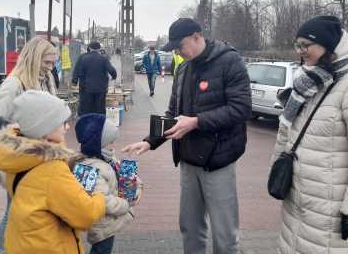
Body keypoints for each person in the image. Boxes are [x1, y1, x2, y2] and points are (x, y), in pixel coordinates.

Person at [122, 18, 252, 254]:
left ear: (196, 36)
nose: (178, 52)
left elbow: (241, 108)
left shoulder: (229, 61)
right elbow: (173, 113)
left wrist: (196, 122)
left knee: (224, 235)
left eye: (180, 46)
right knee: (190, 227)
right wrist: (149, 141)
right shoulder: (182, 68)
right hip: (189, 159)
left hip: (218, 161)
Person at [0, 90, 109, 254]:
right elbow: (85, 215)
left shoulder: (17, 156)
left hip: (24, 242)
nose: (67, 127)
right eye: (62, 122)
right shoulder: (51, 168)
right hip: (49, 245)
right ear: (43, 128)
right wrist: (100, 195)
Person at [272, 15, 348, 253]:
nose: (301, 51)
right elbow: (286, 132)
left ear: (328, 46)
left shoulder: (345, 86)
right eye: (298, 45)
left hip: (329, 210)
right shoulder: (306, 82)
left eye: (306, 45)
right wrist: (276, 171)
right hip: (296, 198)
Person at [0, 36, 57, 253]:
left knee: (25, 209)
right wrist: (19, 131)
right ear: (34, 58)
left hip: (38, 155)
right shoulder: (15, 83)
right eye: (47, 62)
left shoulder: (44, 78)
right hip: (20, 157)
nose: (50, 67)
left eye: (52, 63)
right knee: (14, 209)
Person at [74, 113, 142, 254]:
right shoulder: (90, 167)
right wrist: (125, 204)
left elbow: (120, 177)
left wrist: (134, 185)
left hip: (108, 222)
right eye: (110, 142)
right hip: (101, 225)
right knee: (101, 250)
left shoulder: (107, 157)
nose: (113, 146)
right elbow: (100, 199)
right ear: (99, 143)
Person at [75, 41, 117, 115]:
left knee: (86, 109)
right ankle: (98, 124)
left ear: (90, 48)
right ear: (99, 49)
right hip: (101, 89)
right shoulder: (103, 59)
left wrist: (76, 82)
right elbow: (112, 70)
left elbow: (79, 73)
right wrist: (114, 76)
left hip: (87, 89)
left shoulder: (84, 59)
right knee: (99, 109)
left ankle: (87, 124)